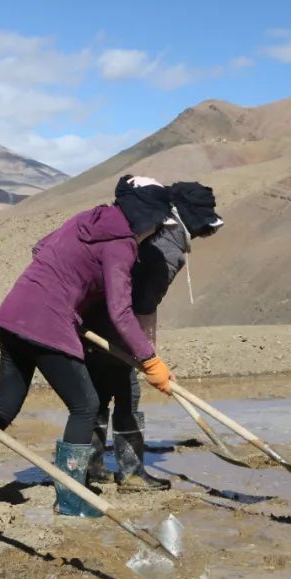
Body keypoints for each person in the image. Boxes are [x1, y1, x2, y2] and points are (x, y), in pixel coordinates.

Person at [0, 175, 177, 517]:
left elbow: (40, 248)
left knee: (3, 409)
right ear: (146, 218)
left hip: (13, 316)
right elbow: (121, 309)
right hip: (46, 324)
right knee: (85, 405)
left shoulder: (88, 218)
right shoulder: (121, 243)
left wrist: (72, 292)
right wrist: (150, 360)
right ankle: (71, 500)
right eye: (156, 223)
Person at [82, 179, 224, 492]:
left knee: (100, 395)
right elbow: (144, 305)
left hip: (96, 320)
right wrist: (148, 357)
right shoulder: (169, 248)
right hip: (115, 325)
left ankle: (90, 466)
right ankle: (131, 474)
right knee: (127, 395)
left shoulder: (155, 227)